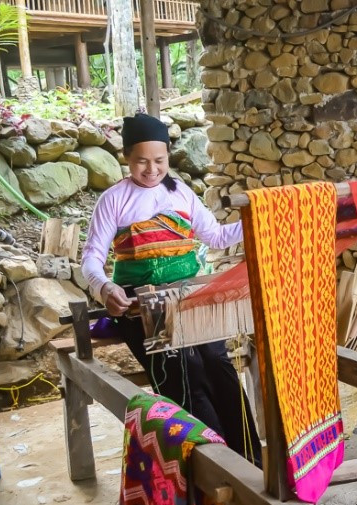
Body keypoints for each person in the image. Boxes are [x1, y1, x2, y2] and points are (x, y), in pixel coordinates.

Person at [81, 113, 263, 474]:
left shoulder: (180, 193)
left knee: (218, 364)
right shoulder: (113, 200)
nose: (151, 169)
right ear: (126, 157)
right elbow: (91, 258)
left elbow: (217, 237)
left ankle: (251, 462)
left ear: (168, 155)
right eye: (141, 161)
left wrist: (259, 219)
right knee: (184, 371)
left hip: (189, 295)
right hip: (141, 303)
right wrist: (105, 287)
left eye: (159, 160)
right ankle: (213, 467)